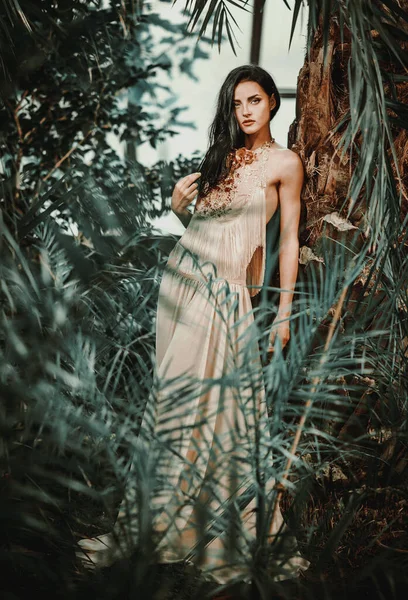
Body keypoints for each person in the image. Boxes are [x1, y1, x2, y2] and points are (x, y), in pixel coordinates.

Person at [77, 64, 310, 589]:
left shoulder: (285, 163)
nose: (245, 111)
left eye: (253, 100)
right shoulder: (223, 158)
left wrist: (287, 312)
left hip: (227, 294)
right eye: (236, 103)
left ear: (272, 100)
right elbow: (206, 230)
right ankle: (160, 521)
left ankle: (209, 522)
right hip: (183, 282)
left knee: (225, 406)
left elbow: (289, 240)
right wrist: (178, 210)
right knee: (176, 399)